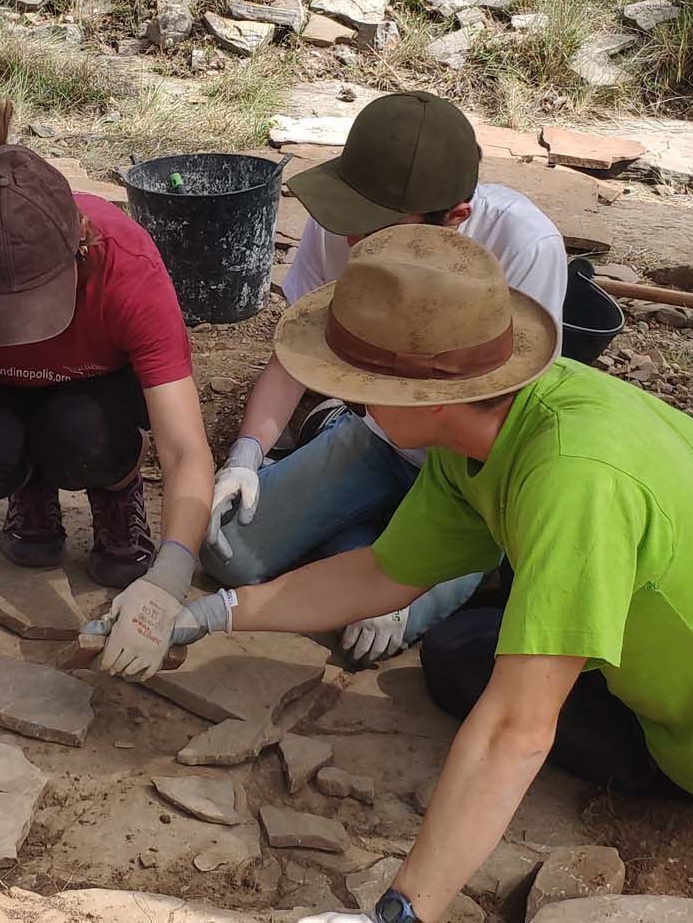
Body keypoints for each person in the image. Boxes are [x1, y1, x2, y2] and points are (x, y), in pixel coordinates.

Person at [102, 228, 693, 923]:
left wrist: (396, 913)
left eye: (353, 380)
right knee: (462, 651)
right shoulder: (497, 428)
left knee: (481, 683)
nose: (345, 396)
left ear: (419, 400)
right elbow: (383, 571)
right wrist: (207, 613)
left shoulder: (572, 482)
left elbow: (514, 731)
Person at [201, 90, 568, 664]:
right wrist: (246, 455)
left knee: (370, 632)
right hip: (379, 431)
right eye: (354, 217)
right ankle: (368, 544)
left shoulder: (523, 245)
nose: (354, 240)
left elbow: (505, 417)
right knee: (229, 553)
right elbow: (295, 355)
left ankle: (400, 559)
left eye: (378, 227)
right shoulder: (345, 222)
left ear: (454, 219)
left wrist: (412, 579)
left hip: (468, 474)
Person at [0, 99, 215, 682]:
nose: (23, 333)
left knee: (83, 438)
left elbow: (185, 448)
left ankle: (115, 485)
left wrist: (169, 581)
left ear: (79, 242)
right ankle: (28, 484)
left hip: (91, 401)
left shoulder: (128, 267)